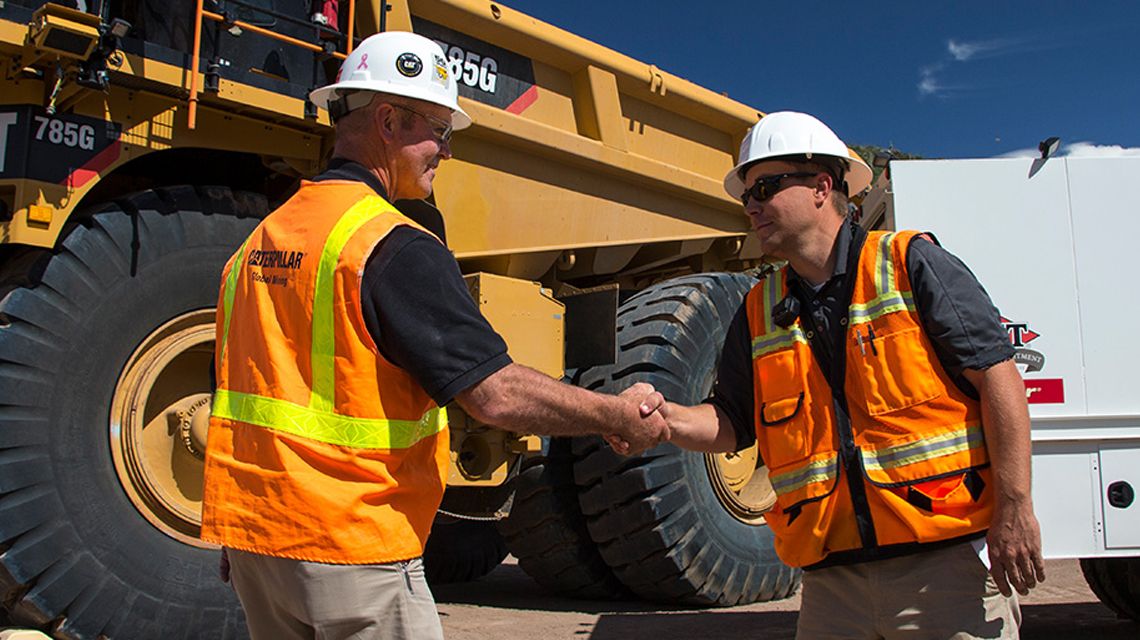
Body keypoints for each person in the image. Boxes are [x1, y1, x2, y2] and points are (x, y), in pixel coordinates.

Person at [200, 31, 668, 640]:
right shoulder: (389, 245)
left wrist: (245, 534)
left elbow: (239, 393)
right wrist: (615, 415)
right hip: (351, 544)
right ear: (389, 120)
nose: (445, 150)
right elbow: (494, 395)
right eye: (439, 130)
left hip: (259, 543)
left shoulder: (256, 243)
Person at [625, 111, 1046, 639]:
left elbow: (998, 379)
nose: (752, 204)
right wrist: (667, 419)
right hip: (830, 586)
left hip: (943, 571)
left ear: (823, 186)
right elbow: (732, 422)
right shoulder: (759, 308)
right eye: (746, 195)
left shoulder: (910, 263)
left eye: (766, 186)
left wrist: (1015, 506)